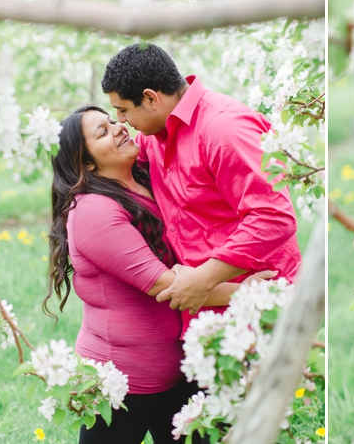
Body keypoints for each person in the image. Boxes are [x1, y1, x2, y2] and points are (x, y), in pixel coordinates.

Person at [44, 105, 273, 444]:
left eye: (112, 120)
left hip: (178, 373)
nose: (118, 127)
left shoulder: (143, 176)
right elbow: (168, 287)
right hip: (121, 385)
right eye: (102, 132)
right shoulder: (93, 211)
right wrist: (246, 290)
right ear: (87, 163)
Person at [100, 43, 301, 333]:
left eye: (122, 110)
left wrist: (203, 279)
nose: (120, 121)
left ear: (150, 98)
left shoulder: (223, 129)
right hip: (206, 315)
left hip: (262, 305)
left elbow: (274, 217)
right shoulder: (152, 137)